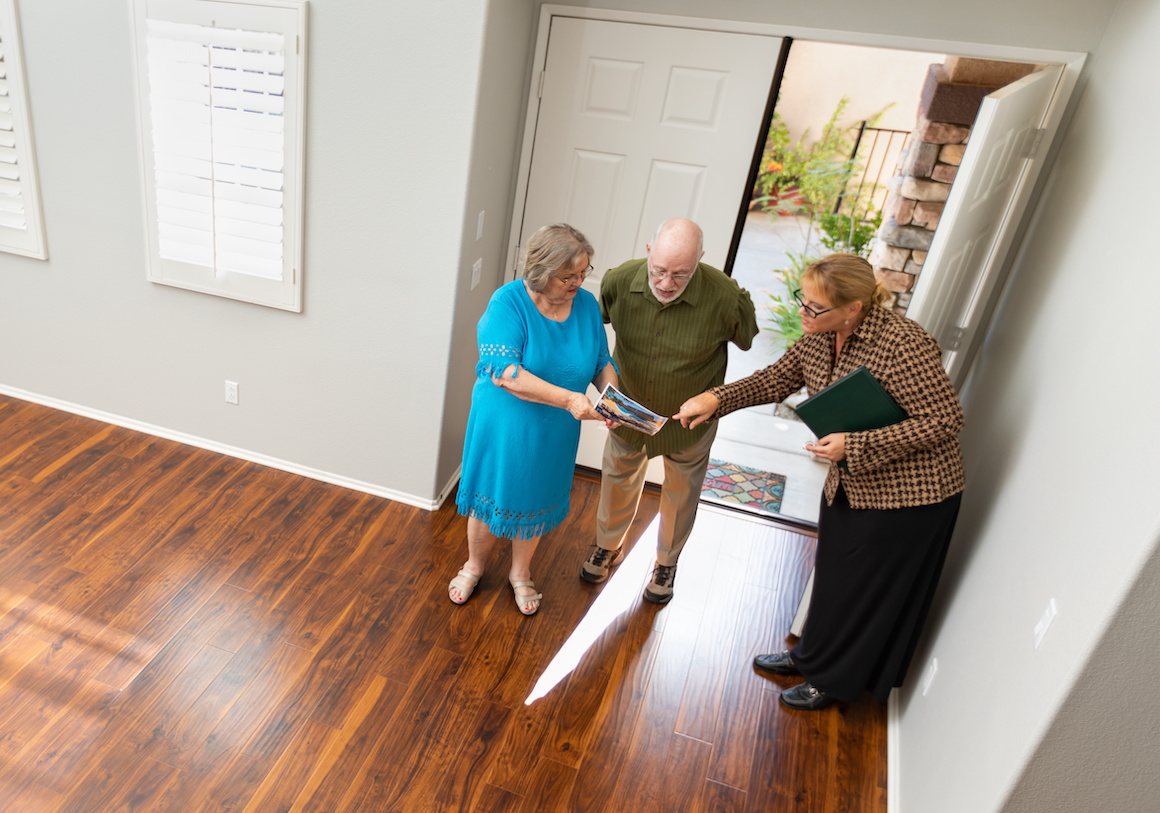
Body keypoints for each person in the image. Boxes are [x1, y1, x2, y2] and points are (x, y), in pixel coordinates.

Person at [675, 253, 965, 710]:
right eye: (802, 301)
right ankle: (809, 656)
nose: (802, 314)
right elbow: (776, 379)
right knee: (832, 578)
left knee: (862, 593)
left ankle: (833, 681)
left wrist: (854, 445)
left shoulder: (903, 343)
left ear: (853, 308)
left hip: (911, 496)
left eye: (815, 307)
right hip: (852, 482)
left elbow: (945, 419)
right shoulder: (819, 336)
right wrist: (716, 398)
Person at [579, 218, 758, 603]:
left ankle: (666, 562)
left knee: (681, 490)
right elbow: (595, 332)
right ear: (648, 250)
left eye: (681, 274)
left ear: (701, 262)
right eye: (659, 270)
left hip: (689, 419)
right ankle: (607, 545)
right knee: (618, 475)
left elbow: (747, 339)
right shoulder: (617, 281)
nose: (665, 283)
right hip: (630, 409)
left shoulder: (726, 296)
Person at [451, 224, 618, 615]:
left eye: (584, 272)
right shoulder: (507, 303)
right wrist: (570, 399)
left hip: (556, 427)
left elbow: (600, 360)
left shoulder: (587, 305)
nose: (579, 282)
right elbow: (507, 373)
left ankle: (520, 573)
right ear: (541, 272)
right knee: (490, 497)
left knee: (538, 495)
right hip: (505, 423)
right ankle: (473, 566)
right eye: (569, 276)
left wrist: (613, 399)